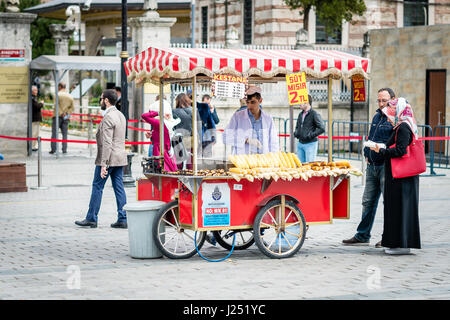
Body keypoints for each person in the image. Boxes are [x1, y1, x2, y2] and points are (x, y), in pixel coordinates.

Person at [343, 88, 395, 247]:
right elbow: (371, 136)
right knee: (367, 201)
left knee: (389, 203)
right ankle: (363, 235)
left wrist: (382, 150)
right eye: (379, 100)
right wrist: (366, 153)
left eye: (384, 100)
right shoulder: (376, 116)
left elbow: (394, 142)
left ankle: (388, 236)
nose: (381, 104)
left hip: (385, 166)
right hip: (372, 166)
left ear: (392, 99)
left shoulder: (394, 119)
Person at [370, 97, 421, 255]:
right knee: (395, 210)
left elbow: (401, 150)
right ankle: (396, 243)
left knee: (400, 210)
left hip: (402, 178)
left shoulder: (404, 126)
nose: (389, 115)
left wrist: (382, 151)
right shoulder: (400, 125)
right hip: (398, 176)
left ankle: (401, 245)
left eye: (392, 111)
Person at [75, 89, 128, 229]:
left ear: (106, 100)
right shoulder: (121, 115)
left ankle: (91, 217)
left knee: (97, 186)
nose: (100, 101)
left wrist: (104, 164)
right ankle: (123, 218)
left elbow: (107, 142)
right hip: (120, 158)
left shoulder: (108, 117)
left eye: (101, 99)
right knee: (119, 187)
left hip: (108, 158)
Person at [223, 86, 279, 154]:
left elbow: (273, 142)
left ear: (260, 100)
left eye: (253, 102)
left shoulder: (268, 119)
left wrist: (273, 158)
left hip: (263, 159)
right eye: (247, 102)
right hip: (243, 159)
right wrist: (246, 140)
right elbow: (226, 137)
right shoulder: (237, 116)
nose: (249, 106)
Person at [293, 94, 325, 163]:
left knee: (309, 166)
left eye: (301, 102)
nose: (299, 104)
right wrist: (296, 133)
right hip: (300, 143)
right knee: (300, 166)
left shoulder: (314, 114)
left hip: (310, 144)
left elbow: (322, 128)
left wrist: (310, 135)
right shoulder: (300, 114)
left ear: (307, 103)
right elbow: (297, 127)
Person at [50, 82, 74, 154]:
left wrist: (61, 113)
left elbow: (55, 105)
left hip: (57, 116)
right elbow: (72, 108)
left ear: (59, 87)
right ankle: (64, 149)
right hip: (66, 117)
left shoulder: (57, 95)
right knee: (65, 134)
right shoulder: (70, 96)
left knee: (54, 133)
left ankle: (53, 149)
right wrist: (66, 114)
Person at [31, 85, 44, 151]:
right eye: (35, 90)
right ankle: (32, 146)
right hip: (34, 119)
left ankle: (33, 145)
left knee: (36, 133)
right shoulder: (32, 98)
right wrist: (41, 103)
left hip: (36, 119)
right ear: (32, 91)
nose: (37, 91)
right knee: (34, 133)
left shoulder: (34, 98)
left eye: (36, 90)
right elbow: (37, 106)